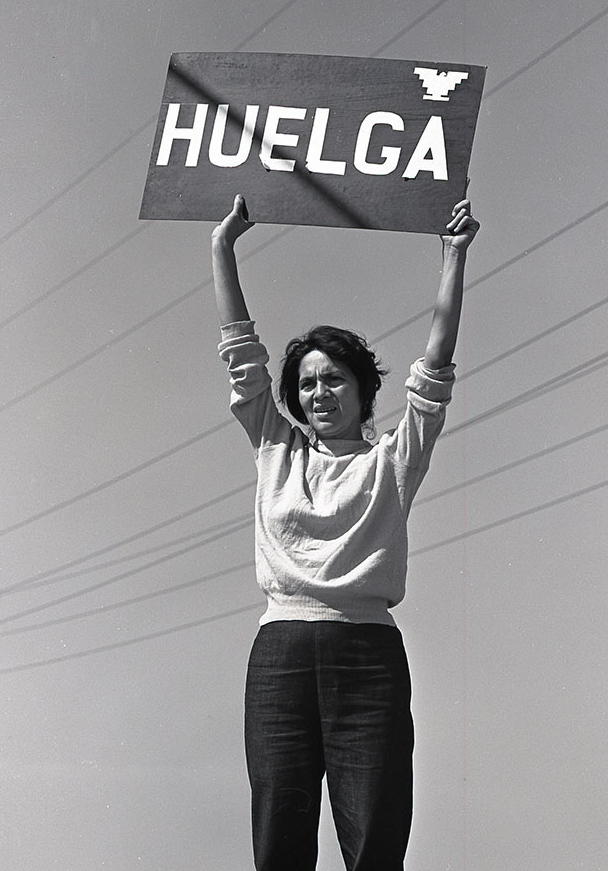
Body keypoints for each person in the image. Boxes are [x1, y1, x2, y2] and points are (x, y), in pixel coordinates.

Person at [212, 191, 479, 871]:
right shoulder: (276, 447)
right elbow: (242, 355)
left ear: (362, 390)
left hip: (368, 661)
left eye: (333, 380)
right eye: (305, 385)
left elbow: (435, 367)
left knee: (378, 834)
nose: (318, 394)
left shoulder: (395, 458)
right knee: (279, 831)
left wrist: (453, 256)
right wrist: (224, 248)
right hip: (281, 657)